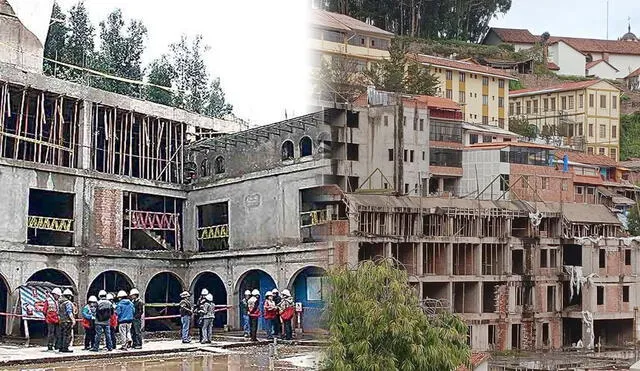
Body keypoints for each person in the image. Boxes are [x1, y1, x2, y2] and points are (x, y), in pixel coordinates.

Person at [57, 289, 76, 353]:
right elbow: (69, 312)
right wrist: (73, 320)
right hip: (67, 321)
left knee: (61, 335)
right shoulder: (68, 303)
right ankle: (65, 348)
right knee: (67, 335)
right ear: (69, 296)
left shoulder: (60, 303)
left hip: (62, 321)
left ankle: (61, 348)